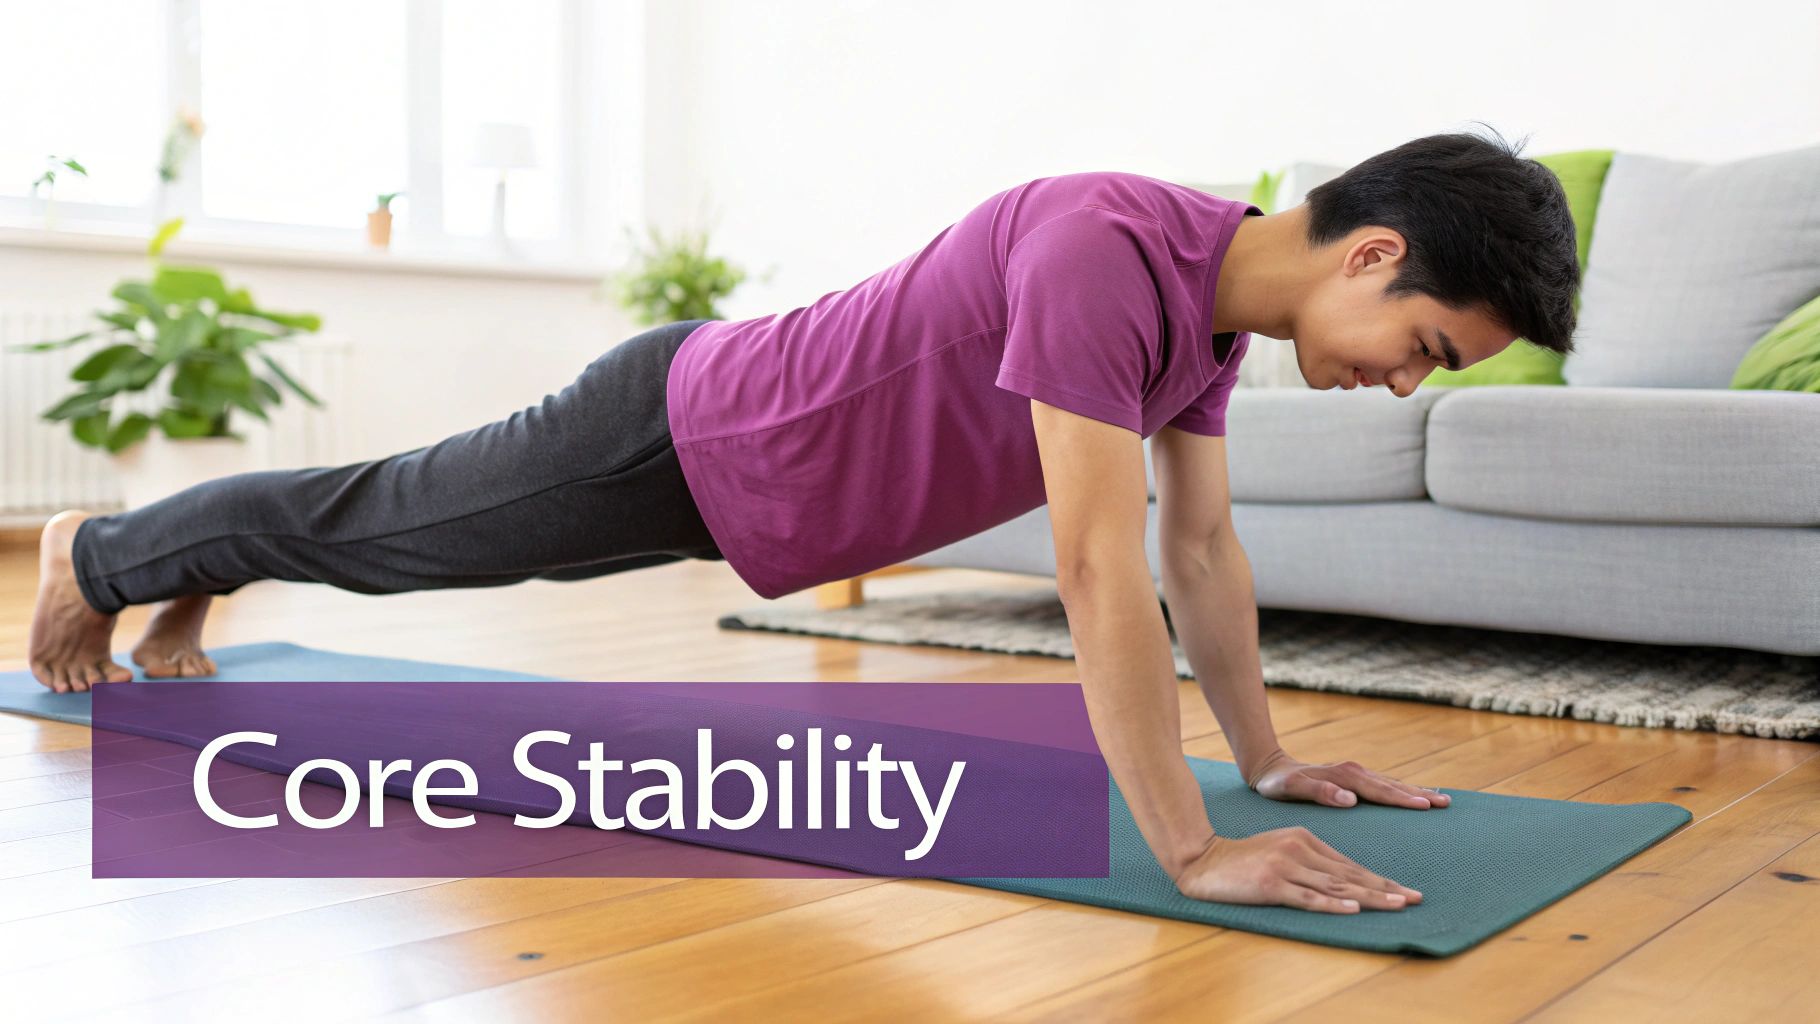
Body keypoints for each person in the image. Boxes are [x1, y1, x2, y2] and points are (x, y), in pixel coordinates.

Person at [27, 126, 1579, 915]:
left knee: (375, 532)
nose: (1404, 386)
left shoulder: (1209, 329)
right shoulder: (1113, 248)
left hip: (741, 481)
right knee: (387, 531)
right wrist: (1185, 846)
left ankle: (184, 567)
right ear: (1372, 255)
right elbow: (1102, 563)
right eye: (1428, 349)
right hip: (679, 434)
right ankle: (104, 552)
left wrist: (1266, 759)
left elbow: (1199, 551)